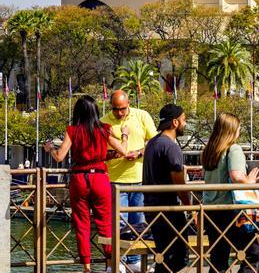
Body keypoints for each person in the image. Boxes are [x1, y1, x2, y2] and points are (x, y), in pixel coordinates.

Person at [44, 96, 129, 273]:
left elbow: (59, 156)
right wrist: (125, 134)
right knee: (105, 223)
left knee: (82, 224)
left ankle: (87, 267)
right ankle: (109, 265)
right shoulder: (104, 129)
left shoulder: (73, 130)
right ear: (95, 112)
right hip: (100, 179)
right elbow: (123, 150)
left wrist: (50, 148)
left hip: (80, 179)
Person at [101, 89, 158, 273]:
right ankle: (119, 261)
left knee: (138, 222)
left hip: (140, 178)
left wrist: (140, 152)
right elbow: (100, 152)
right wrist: (119, 153)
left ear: (129, 104)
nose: (119, 113)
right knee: (118, 223)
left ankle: (134, 262)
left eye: (123, 109)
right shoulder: (103, 122)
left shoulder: (142, 116)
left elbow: (154, 140)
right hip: (115, 180)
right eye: (116, 109)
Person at [200, 113, 259, 273]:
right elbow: (236, 176)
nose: (240, 130)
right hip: (231, 212)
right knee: (252, 255)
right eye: (239, 127)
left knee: (218, 259)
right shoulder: (233, 149)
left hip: (211, 211)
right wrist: (250, 181)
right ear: (232, 130)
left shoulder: (209, 151)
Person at [143, 104, 190, 273]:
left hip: (151, 207)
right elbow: (178, 181)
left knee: (164, 255)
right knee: (179, 255)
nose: (185, 124)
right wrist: (189, 205)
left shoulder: (153, 143)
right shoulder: (171, 147)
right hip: (168, 209)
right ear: (175, 122)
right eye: (184, 120)